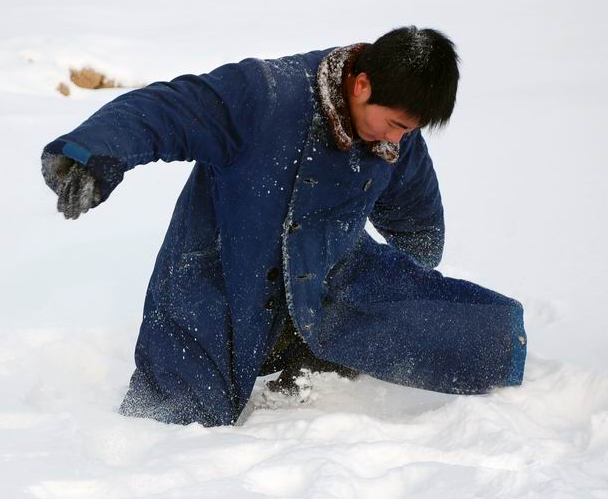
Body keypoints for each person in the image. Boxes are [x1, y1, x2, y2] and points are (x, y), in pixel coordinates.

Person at [41, 26, 527, 427]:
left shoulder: (391, 137)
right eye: (396, 124)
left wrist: (417, 262)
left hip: (327, 273)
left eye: (410, 131)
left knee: (475, 334)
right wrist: (90, 155)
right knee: (175, 421)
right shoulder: (264, 95)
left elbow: (415, 212)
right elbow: (166, 109)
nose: (399, 140)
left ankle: (310, 356)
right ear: (361, 85)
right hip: (226, 277)